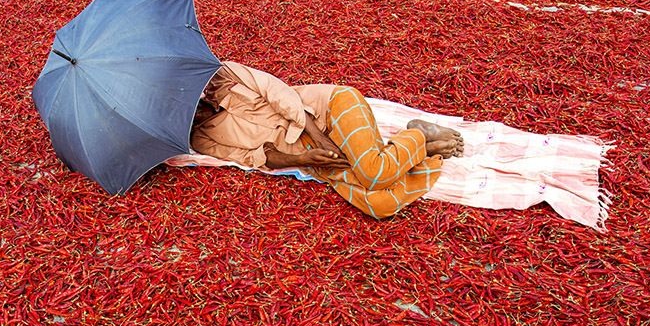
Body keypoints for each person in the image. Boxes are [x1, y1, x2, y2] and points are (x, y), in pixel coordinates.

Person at [186, 61, 464, 218]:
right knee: (380, 205)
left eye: (190, 102)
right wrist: (301, 159)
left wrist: (318, 137)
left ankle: (414, 134)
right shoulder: (201, 139)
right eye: (185, 113)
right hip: (310, 153)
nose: (194, 111)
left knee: (375, 173)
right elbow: (254, 157)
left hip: (328, 112)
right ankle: (422, 148)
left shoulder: (224, 73)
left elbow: (280, 93)